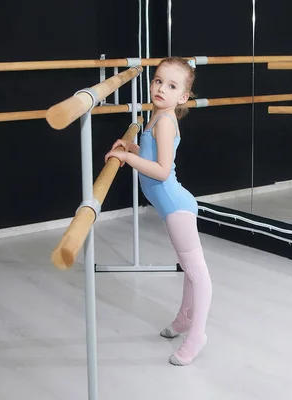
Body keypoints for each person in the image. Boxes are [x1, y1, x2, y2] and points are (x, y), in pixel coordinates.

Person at [104, 57, 212, 366]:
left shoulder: (165, 121)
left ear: (183, 97)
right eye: (158, 81)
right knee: (187, 268)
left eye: (172, 85)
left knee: (197, 273)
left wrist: (127, 160)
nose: (161, 88)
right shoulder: (156, 117)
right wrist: (133, 150)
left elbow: (162, 171)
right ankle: (183, 320)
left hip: (177, 206)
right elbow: (151, 155)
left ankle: (197, 335)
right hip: (171, 207)